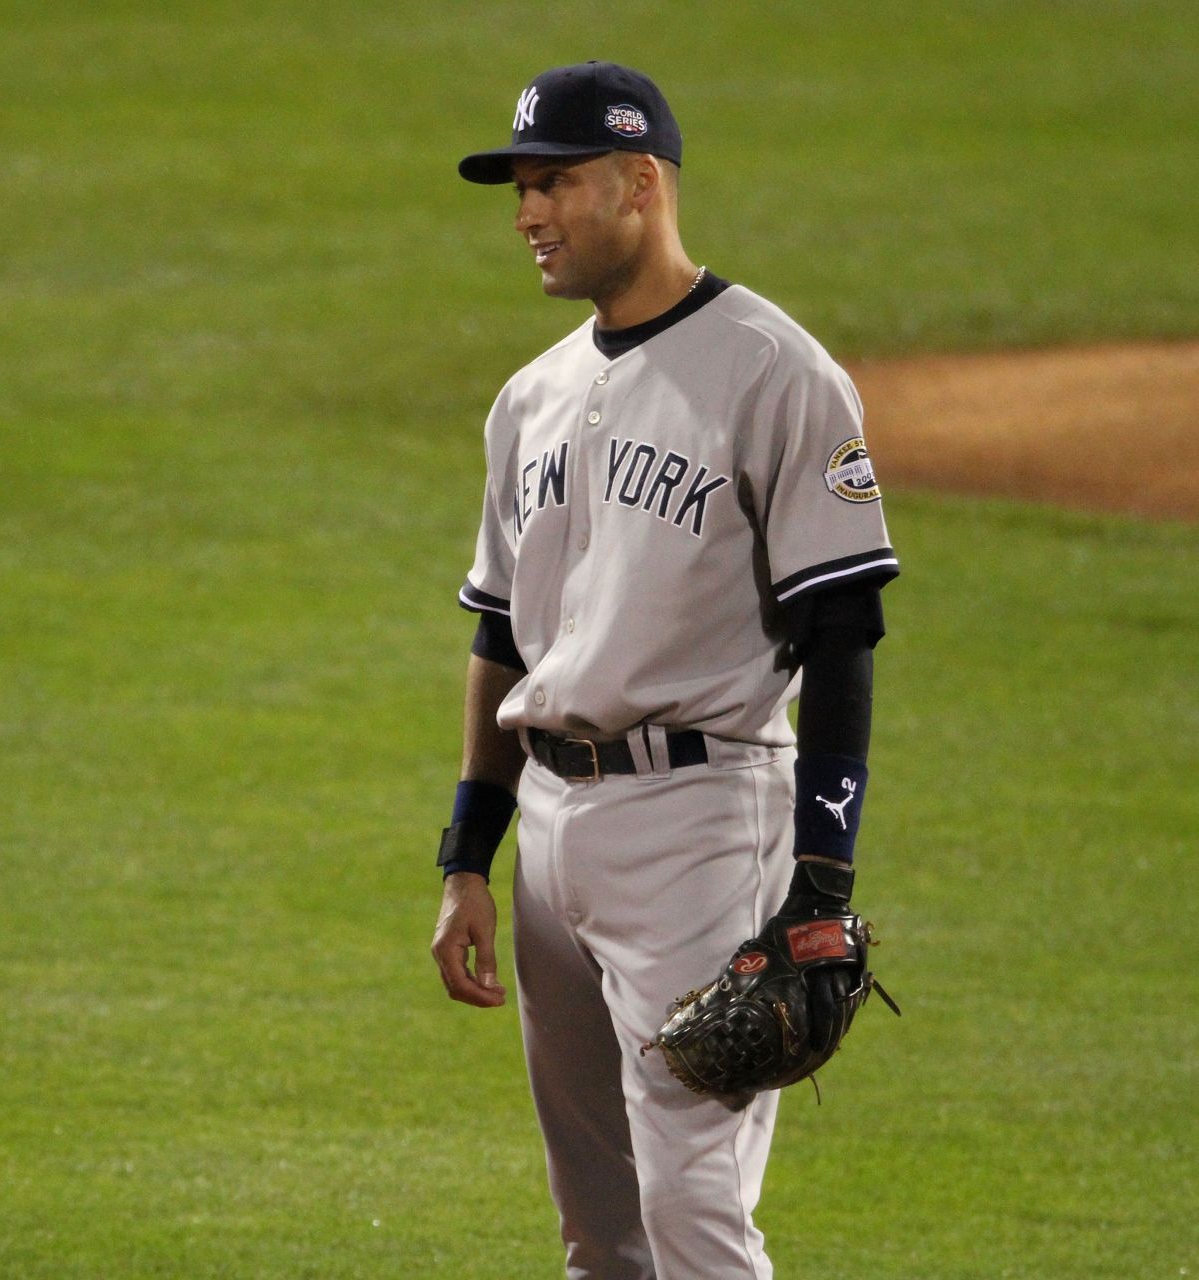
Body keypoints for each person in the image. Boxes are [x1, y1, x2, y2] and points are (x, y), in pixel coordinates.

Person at [428, 63, 899, 1279]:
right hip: (550, 830)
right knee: (600, 1230)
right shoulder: (529, 397)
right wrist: (466, 857)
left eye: (555, 184)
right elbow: (500, 638)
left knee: (694, 1217)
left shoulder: (777, 373)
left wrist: (824, 881)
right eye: (520, 189)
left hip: (700, 822)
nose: (528, 213)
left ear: (642, 183)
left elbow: (843, 629)